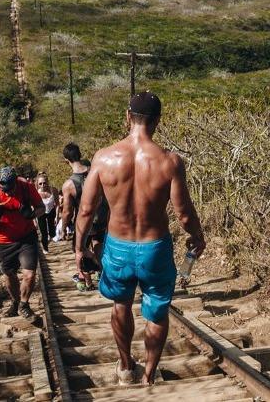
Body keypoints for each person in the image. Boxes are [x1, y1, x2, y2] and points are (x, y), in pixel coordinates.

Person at [74, 91, 205, 387]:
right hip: (155, 248)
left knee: (121, 304)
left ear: (127, 116)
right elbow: (184, 214)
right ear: (158, 121)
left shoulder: (104, 157)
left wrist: (79, 249)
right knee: (157, 311)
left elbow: (85, 210)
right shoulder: (170, 161)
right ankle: (148, 376)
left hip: (117, 246)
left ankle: (124, 367)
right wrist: (197, 236)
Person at [0, 166, 45, 320]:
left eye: (11, 187)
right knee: (9, 275)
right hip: (3, 241)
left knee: (29, 274)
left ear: (16, 181)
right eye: (4, 187)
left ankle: (24, 305)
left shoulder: (26, 188)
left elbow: (42, 207)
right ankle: (15, 303)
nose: (8, 191)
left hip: (26, 237)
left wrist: (32, 214)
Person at [61, 144, 108, 291]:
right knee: (98, 243)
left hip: (83, 223)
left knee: (79, 250)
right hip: (101, 218)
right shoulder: (97, 174)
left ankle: (86, 281)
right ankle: (102, 273)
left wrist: (63, 227)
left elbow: (67, 211)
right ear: (80, 154)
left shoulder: (69, 185)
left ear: (66, 160)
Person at [35, 173, 57, 253]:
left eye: (44, 183)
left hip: (51, 211)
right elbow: (33, 207)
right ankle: (45, 248)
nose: (43, 185)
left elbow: (57, 204)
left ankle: (51, 237)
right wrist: (34, 221)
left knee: (52, 232)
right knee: (43, 232)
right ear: (37, 184)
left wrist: (57, 217)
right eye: (40, 183)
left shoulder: (53, 190)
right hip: (41, 213)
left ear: (47, 182)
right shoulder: (36, 193)